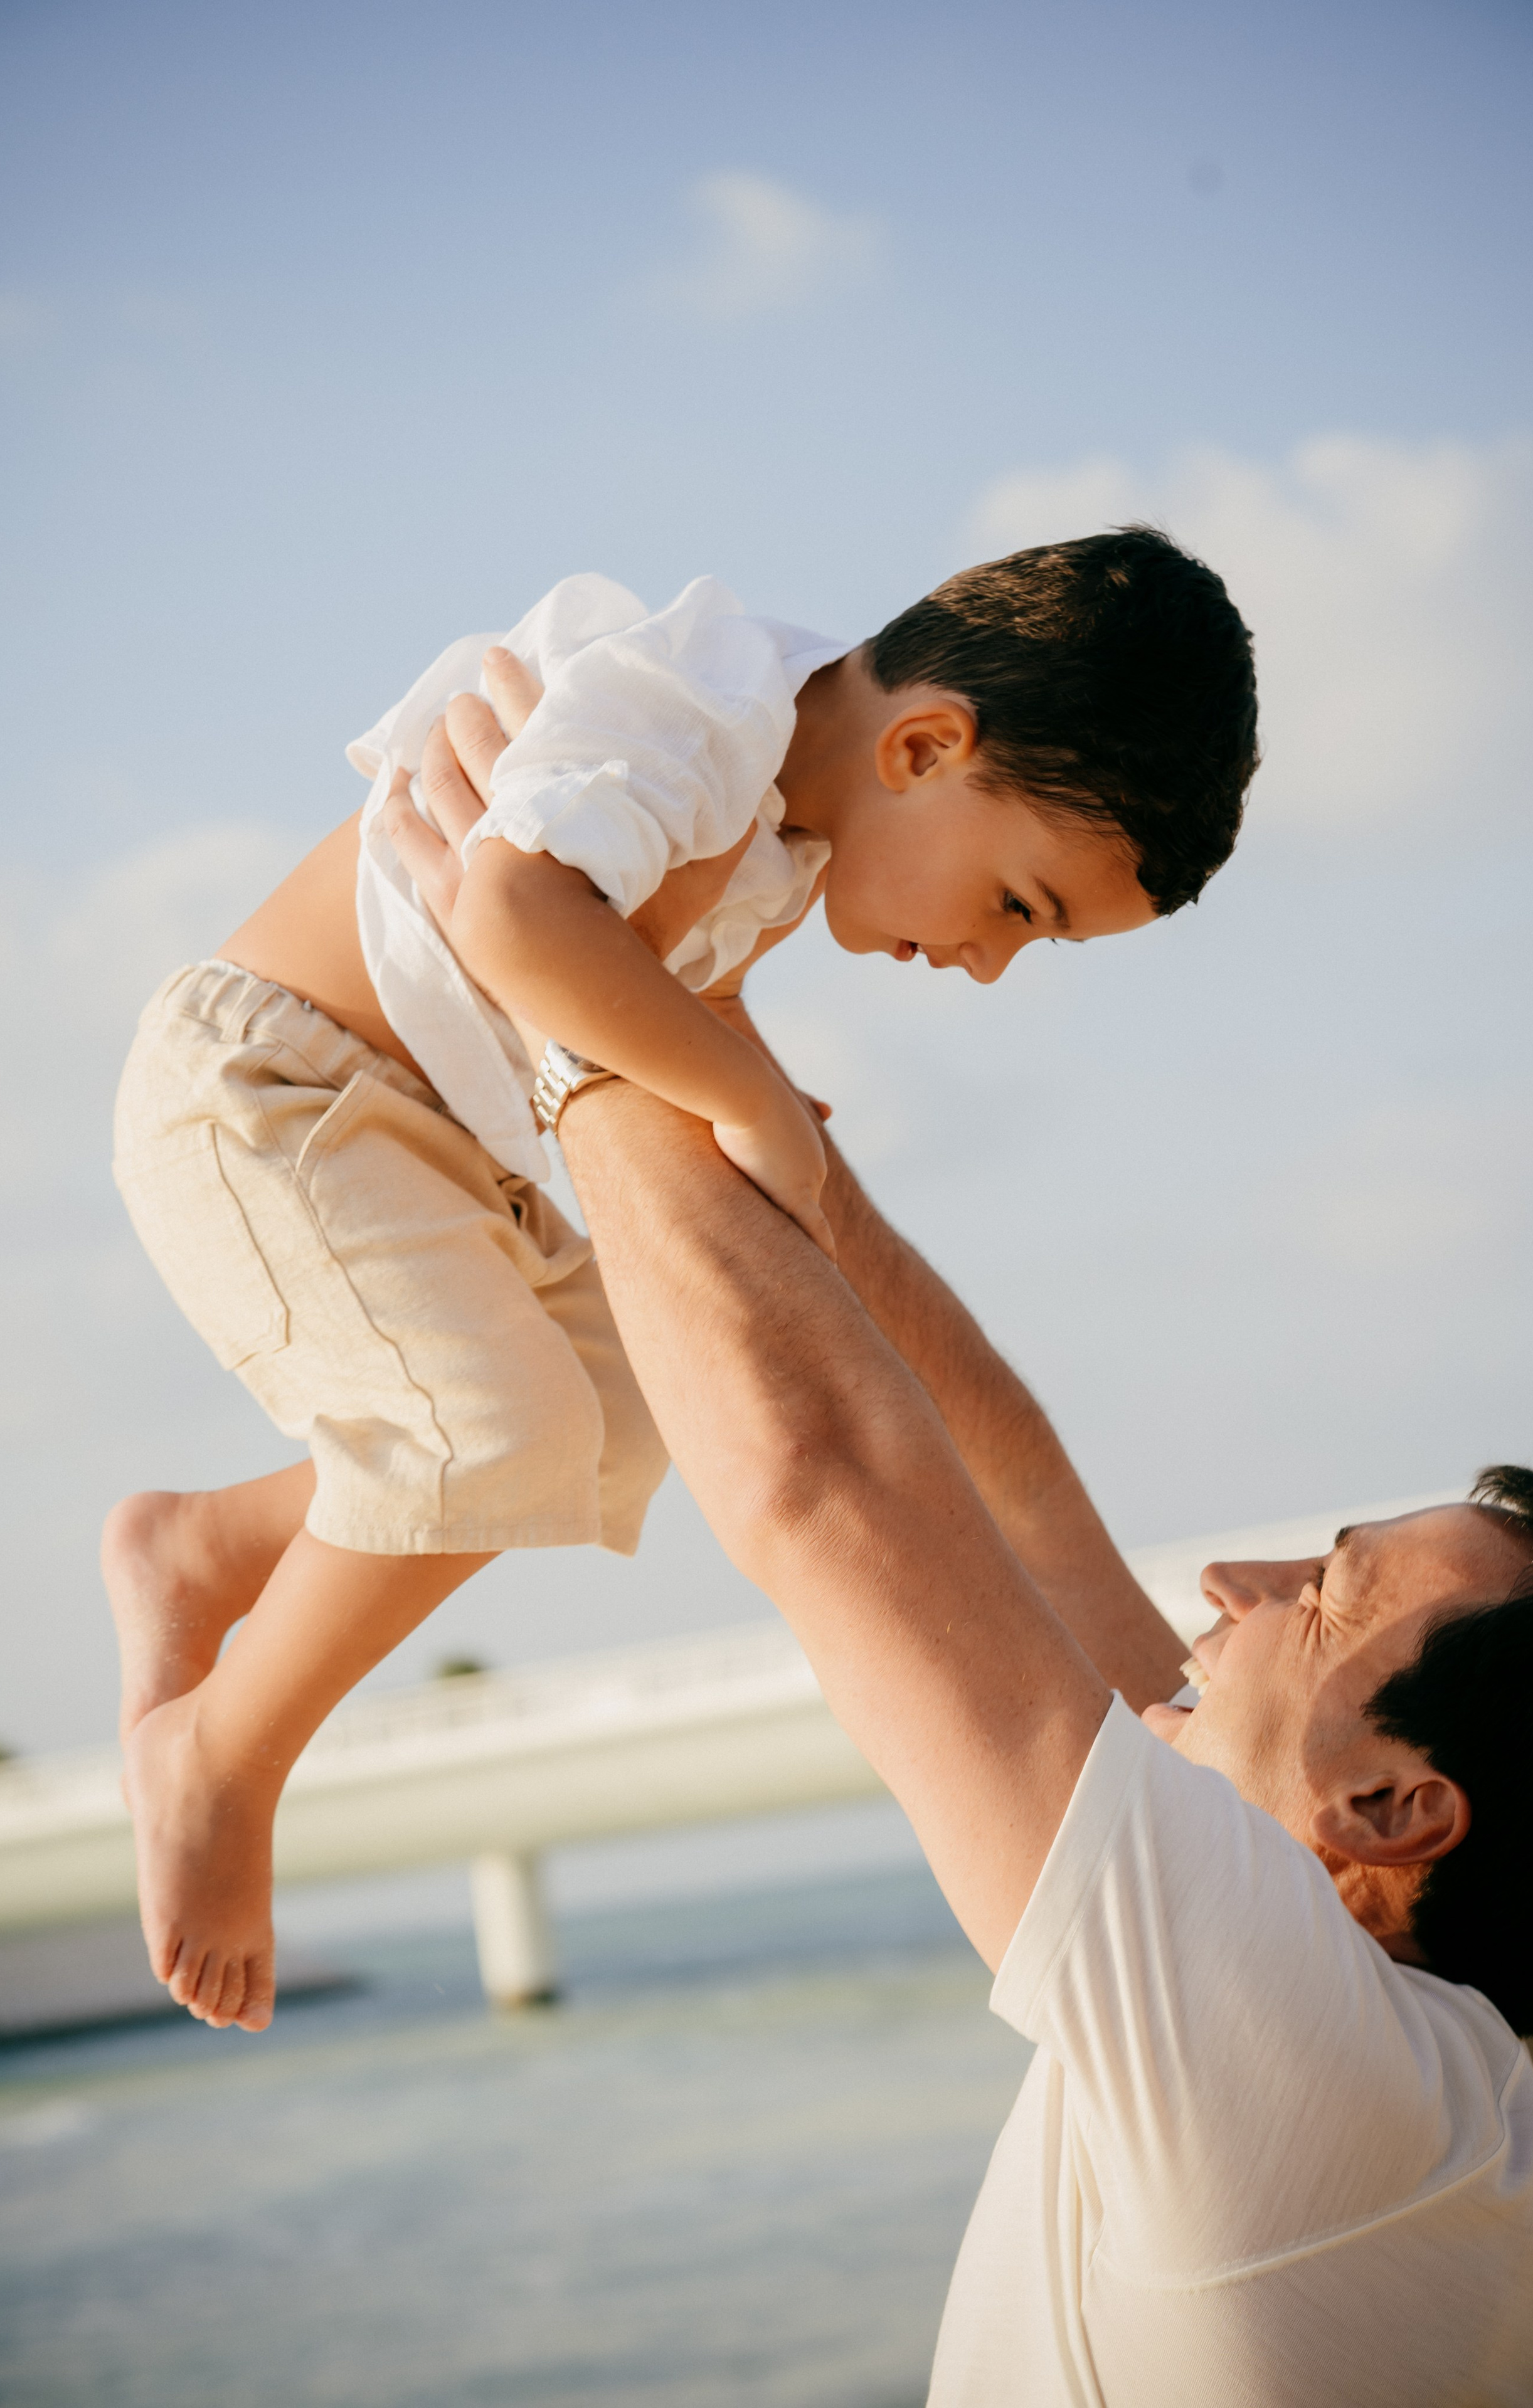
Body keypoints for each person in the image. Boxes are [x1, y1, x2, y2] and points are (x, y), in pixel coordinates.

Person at [387, 723, 1533, 2404]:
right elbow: (1011, 1506)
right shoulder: (1468, 2059)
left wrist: (550, 1017)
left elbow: (833, 1491)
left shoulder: (1313, 2072)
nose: (1232, 1580)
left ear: (1385, 1811)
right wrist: (714, 1048)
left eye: (1320, 1597)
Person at [106, 531, 1258, 2030]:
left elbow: (629, 973)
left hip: (443, 1147)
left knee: (631, 1411)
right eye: (1021, 908)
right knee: (500, 1439)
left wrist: (722, 1062)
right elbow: (513, 914)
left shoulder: (783, 818)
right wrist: (749, 1095)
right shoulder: (707, 710)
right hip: (280, 1086)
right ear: (924, 743)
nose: (987, 964)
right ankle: (221, 1757)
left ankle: (209, 1547)